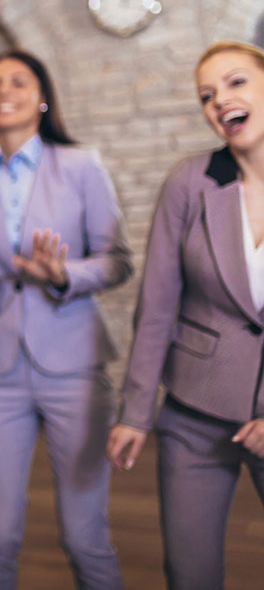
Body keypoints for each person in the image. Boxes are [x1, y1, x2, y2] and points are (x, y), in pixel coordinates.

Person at [0, 49, 133, 590]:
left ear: (42, 99)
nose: (4, 91)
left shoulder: (81, 166)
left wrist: (64, 274)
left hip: (75, 362)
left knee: (84, 535)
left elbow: (118, 260)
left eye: (19, 82)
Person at [107, 41, 264, 590]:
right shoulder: (189, 182)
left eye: (236, 82)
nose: (221, 100)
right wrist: (135, 409)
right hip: (194, 413)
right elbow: (157, 304)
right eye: (207, 94)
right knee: (190, 575)